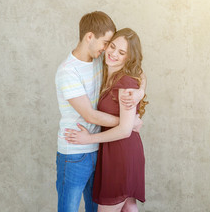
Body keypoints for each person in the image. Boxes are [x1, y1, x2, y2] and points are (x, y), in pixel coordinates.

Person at [55, 12, 146, 212]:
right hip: (75, 152)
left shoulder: (100, 61)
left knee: (102, 207)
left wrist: (140, 91)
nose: (109, 50)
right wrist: (128, 123)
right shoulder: (68, 72)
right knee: (69, 208)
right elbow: (90, 115)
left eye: (112, 46)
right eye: (108, 43)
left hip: (103, 150)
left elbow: (136, 71)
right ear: (90, 37)